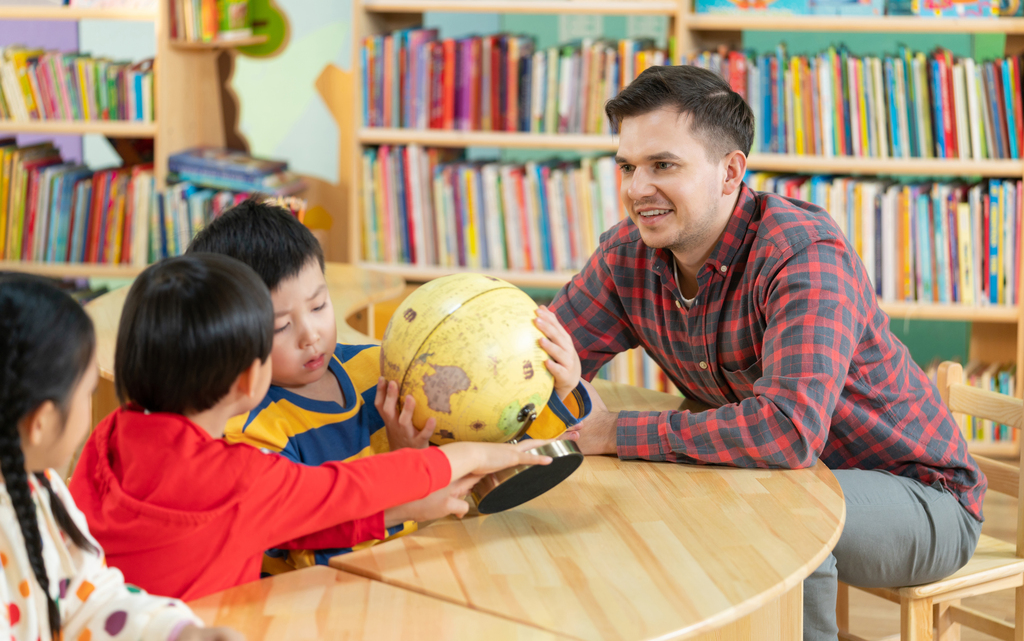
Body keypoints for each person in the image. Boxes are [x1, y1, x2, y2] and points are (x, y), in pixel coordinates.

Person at [552, 64, 986, 640]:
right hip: (783, 478)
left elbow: (787, 432)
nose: (636, 188)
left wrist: (614, 432)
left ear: (731, 172)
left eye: (664, 165)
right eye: (627, 167)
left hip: (921, 498)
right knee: (664, 505)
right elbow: (540, 353)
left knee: (781, 519)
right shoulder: (627, 256)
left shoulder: (802, 256)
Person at [69, 254, 555, 601]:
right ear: (248, 378)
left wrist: (403, 509)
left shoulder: (108, 434)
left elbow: (288, 523)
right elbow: (345, 488)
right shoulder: (241, 478)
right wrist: (475, 456)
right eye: (272, 332)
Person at [185, 200, 589, 570]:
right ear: (229, 334)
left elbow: (488, 465)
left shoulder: (381, 365)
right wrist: (407, 472)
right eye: (281, 326)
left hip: (435, 566)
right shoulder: (250, 435)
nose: (310, 335)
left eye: (319, 306)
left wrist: (559, 390)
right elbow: (306, 556)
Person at [0, 276, 241, 641]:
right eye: (88, 393)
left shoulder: (41, 487)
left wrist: (177, 633)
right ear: (42, 423)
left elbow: (89, 600)